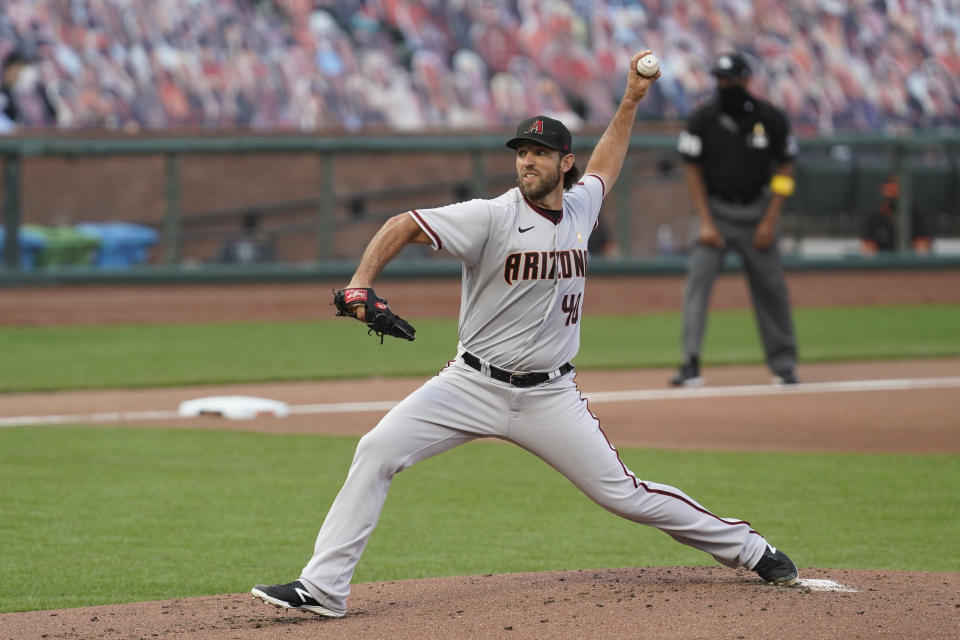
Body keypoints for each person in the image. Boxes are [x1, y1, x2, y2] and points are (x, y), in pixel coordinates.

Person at [251, 50, 799, 620]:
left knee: (624, 494)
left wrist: (631, 101)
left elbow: (608, 162)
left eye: (540, 153)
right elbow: (402, 225)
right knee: (375, 451)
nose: (527, 162)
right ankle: (323, 588)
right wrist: (361, 283)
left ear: (565, 164)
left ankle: (751, 549)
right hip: (469, 384)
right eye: (522, 152)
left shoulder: (582, 205)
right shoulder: (489, 215)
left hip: (549, 397)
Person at [671, 52, 800, 388]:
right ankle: (690, 362)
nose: (725, 85)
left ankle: (784, 365)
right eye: (720, 79)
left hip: (758, 211)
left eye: (731, 79)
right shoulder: (703, 118)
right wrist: (706, 221)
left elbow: (786, 168)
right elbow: (691, 169)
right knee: (696, 286)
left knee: (772, 289)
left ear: (746, 80)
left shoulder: (770, 118)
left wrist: (771, 219)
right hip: (716, 212)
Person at [860, 174, 932, 255]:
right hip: (882, 264)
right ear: (882, 192)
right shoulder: (873, 216)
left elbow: (922, 248)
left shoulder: (916, 214)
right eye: (889, 192)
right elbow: (868, 250)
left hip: (910, 264)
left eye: (895, 193)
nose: (891, 198)